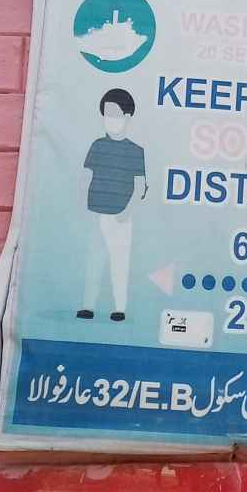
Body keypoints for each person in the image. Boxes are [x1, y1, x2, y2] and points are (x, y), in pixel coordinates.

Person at [77, 89, 146, 323]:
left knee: (119, 262)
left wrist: (127, 212)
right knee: (93, 262)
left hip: (121, 217)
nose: (109, 119)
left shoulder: (136, 152)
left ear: (127, 116)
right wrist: (82, 206)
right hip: (96, 213)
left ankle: (119, 308)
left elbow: (140, 187)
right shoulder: (97, 146)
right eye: (106, 114)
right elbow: (85, 178)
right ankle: (87, 306)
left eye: (114, 114)